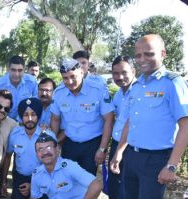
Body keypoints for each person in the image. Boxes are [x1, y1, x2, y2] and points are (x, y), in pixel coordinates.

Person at [110, 34, 188, 199]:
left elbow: (185, 125)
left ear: (163, 54)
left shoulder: (173, 83)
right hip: (131, 156)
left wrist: (172, 165)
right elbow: (130, 122)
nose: (142, 59)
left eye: (149, 54)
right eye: (138, 55)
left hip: (156, 160)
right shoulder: (137, 85)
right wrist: (119, 152)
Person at [50, 58, 114, 176]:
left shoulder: (98, 90)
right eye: (65, 78)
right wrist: (53, 142)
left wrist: (102, 149)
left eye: (73, 76)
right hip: (69, 143)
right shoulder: (59, 93)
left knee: (88, 183)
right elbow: (55, 119)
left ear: (81, 72)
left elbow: (109, 119)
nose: (69, 81)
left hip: (92, 145)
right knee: (67, 179)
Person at [1, 98, 56, 199]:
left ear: (38, 116)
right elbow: (8, 157)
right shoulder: (15, 134)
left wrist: (34, 185)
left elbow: (53, 165)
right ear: (21, 117)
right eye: (26, 115)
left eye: (33, 114)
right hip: (19, 179)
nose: (29, 118)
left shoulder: (48, 136)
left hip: (42, 179)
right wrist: (3, 181)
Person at [31, 133, 103, 199]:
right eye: (40, 149)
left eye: (48, 147)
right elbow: (35, 197)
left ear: (57, 149)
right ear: (37, 154)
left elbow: (96, 185)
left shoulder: (69, 166)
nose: (45, 152)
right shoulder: (37, 174)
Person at [108, 55, 136, 199]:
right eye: (115, 73)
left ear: (133, 71)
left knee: (127, 191)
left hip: (130, 148)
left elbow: (131, 124)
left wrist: (119, 152)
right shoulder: (118, 94)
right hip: (116, 144)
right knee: (113, 187)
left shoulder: (139, 92)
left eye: (124, 72)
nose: (119, 77)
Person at [0, 55, 38, 120]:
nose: (16, 74)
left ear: (24, 69)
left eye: (20, 70)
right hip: (4, 120)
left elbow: (36, 102)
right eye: (13, 70)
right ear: (8, 69)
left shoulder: (31, 82)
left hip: (25, 121)